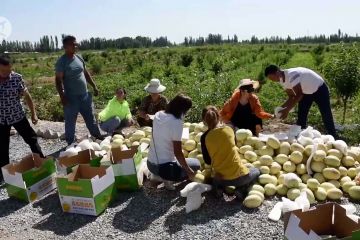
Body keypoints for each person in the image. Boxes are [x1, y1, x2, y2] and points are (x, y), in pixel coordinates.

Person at [0, 55, 45, 181]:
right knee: (2, 147)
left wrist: (34, 113)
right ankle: (5, 173)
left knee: (31, 139)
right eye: (3, 71)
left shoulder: (16, 78)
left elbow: (27, 96)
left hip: (17, 115)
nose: (6, 74)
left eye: (8, 70)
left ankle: (42, 162)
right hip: (1, 119)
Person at [201, 106, 260, 199]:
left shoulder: (204, 137)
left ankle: (218, 188)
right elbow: (235, 146)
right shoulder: (230, 129)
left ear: (203, 120)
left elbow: (207, 161)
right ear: (218, 116)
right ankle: (241, 189)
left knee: (215, 175)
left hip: (221, 179)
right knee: (256, 171)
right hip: (239, 177)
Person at [264, 64, 338, 138]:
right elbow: (291, 96)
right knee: (301, 115)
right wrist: (281, 108)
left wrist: (287, 110)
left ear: (277, 72)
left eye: (271, 78)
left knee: (326, 114)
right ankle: (302, 136)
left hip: (319, 89)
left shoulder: (292, 75)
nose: (272, 80)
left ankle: (333, 137)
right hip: (306, 92)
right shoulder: (281, 80)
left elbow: (299, 95)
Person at [55, 35, 103, 145]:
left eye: (76, 43)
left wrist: (94, 86)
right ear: (66, 46)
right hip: (71, 98)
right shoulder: (62, 62)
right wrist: (62, 96)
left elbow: (85, 73)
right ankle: (70, 143)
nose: (76, 45)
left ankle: (97, 137)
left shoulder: (79, 57)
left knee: (91, 119)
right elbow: (58, 80)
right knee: (71, 122)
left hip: (85, 96)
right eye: (73, 44)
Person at [147, 94, 200, 190]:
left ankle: (156, 175)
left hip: (150, 164)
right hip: (164, 168)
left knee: (178, 162)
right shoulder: (176, 122)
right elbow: (178, 152)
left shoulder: (159, 114)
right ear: (183, 110)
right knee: (196, 164)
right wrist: (189, 171)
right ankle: (165, 178)